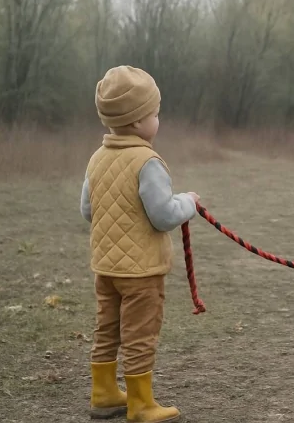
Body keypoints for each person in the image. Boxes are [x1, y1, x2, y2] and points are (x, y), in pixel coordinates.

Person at [80, 65, 199, 422]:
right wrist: (189, 203)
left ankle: (103, 393)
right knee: (140, 334)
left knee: (108, 327)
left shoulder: (97, 158)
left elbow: (88, 210)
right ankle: (141, 404)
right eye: (154, 113)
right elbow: (163, 215)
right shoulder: (148, 162)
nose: (157, 120)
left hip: (106, 268)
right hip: (141, 272)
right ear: (136, 122)